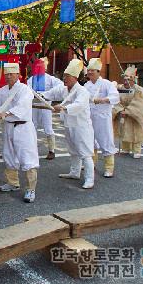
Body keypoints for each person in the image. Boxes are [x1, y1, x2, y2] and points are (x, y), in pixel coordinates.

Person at [0, 63, 39, 202]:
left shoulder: (25, 90)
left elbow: (23, 106)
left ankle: (31, 189)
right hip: (8, 126)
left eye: (11, 74)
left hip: (23, 128)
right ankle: (13, 183)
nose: (8, 76)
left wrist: (6, 113)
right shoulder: (3, 90)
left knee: (27, 157)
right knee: (9, 155)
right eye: (6, 74)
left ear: (18, 75)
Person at [43, 59, 95, 189]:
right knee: (73, 150)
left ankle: (90, 178)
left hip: (81, 126)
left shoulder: (82, 91)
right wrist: (39, 95)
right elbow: (51, 94)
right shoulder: (64, 89)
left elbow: (79, 105)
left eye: (67, 76)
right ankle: (75, 172)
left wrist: (62, 108)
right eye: (64, 76)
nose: (65, 79)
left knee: (85, 152)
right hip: (69, 124)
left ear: (75, 78)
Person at [84, 58, 120, 178]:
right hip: (89, 117)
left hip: (103, 117)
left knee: (105, 140)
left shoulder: (106, 84)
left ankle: (109, 167)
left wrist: (103, 100)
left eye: (92, 71)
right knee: (90, 140)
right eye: (88, 71)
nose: (89, 73)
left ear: (98, 71)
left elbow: (115, 97)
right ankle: (92, 163)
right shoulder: (87, 85)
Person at [27, 57, 63, 159]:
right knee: (32, 127)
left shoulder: (50, 79)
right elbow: (27, 90)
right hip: (34, 106)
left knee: (48, 127)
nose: (39, 68)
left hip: (46, 106)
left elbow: (60, 86)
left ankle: (51, 150)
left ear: (46, 67)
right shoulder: (31, 79)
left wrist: (48, 94)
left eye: (42, 66)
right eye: (37, 66)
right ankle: (32, 149)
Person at [113, 65, 143, 159]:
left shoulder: (138, 89)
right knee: (124, 130)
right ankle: (125, 148)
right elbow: (117, 100)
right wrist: (120, 110)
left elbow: (138, 102)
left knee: (136, 131)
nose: (125, 82)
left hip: (135, 114)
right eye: (124, 80)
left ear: (133, 80)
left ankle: (137, 150)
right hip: (123, 111)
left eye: (128, 80)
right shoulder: (121, 88)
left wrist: (128, 111)